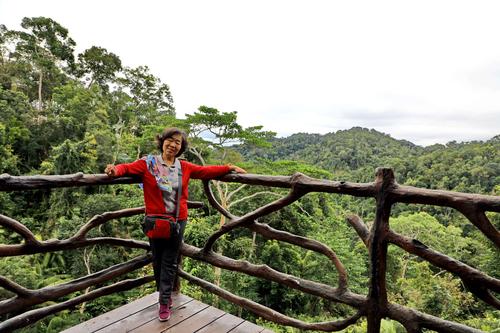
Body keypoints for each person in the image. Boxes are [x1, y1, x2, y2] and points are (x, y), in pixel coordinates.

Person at [104, 127, 246, 321]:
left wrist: (228, 168)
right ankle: (164, 296)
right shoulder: (148, 164)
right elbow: (126, 168)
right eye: (170, 140)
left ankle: (164, 302)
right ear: (162, 141)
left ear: (181, 147)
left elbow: (205, 171)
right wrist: (114, 171)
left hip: (178, 221)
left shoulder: (184, 167)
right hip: (155, 221)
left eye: (177, 142)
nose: (173, 144)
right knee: (157, 259)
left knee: (170, 261)